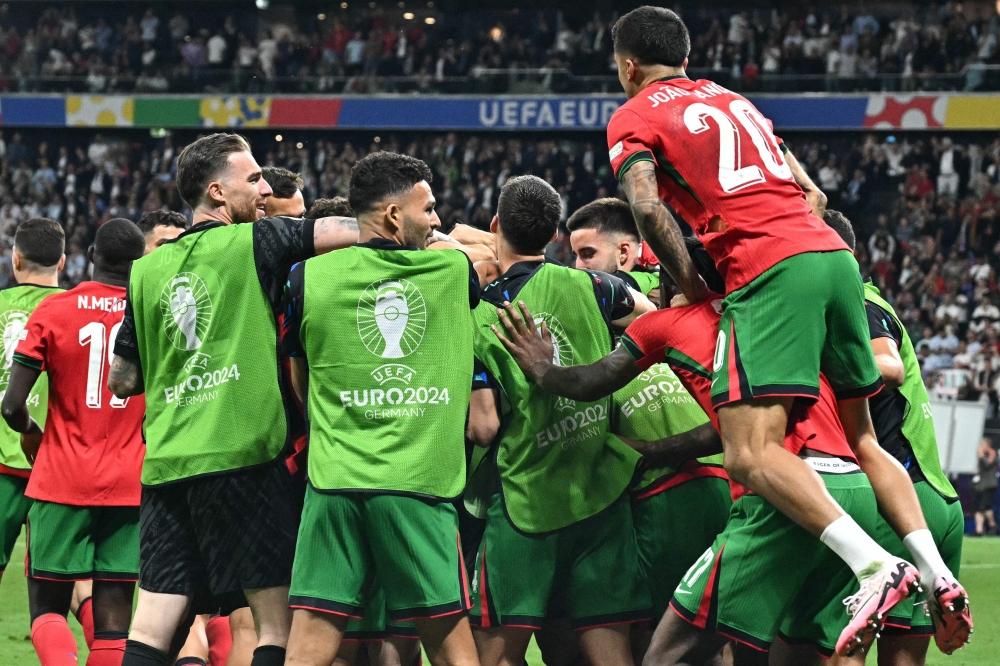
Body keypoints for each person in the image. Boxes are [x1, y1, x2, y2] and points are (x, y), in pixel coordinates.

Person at [606, 6, 964, 654]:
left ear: (629, 67)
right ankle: (936, 574)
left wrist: (695, 289)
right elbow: (814, 196)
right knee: (862, 438)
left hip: (770, 268)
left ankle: (875, 566)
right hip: (834, 258)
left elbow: (648, 207)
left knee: (747, 451)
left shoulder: (633, 114)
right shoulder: (736, 101)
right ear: (685, 58)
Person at [490, 240, 893, 665]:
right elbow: (735, 427)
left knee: (666, 654)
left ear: (669, 283)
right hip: (852, 490)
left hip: (783, 491)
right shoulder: (771, 314)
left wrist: (542, 367)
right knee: (793, 653)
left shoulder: (665, 324)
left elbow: (591, 382)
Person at [108, 133, 358, 666]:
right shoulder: (254, 241)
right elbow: (356, 230)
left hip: (169, 464)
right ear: (217, 192)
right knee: (275, 624)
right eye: (255, 179)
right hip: (244, 454)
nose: (265, 189)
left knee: (151, 628)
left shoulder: (146, 270)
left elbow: (122, 380)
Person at [280, 151, 481, 666]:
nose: (435, 220)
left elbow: (300, 380)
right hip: (415, 485)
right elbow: (476, 252)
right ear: (394, 215)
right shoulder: (450, 270)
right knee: (452, 649)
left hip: (333, 485)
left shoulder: (305, 278)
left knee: (308, 646)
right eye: (427, 208)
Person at [466, 175, 655, 666]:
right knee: (610, 649)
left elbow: (483, 426)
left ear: (495, 225)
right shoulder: (595, 286)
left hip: (527, 504)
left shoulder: (479, 316)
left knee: (499, 654)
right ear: (555, 235)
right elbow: (650, 317)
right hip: (599, 495)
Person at [818, 210, 972, 662]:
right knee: (903, 656)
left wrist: (813, 365)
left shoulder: (859, 306)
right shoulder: (875, 302)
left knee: (839, 648)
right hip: (935, 499)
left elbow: (889, 366)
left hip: (897, 503)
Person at [1, 218, 147, 666]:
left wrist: (32, 431)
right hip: (131, 482)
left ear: (91, 256)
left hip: (61, 477)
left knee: (48, 609)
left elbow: (12, 406)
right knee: (114, 623)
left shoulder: (56, 310)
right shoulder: (151, 312)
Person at [0, 218, 65, 584]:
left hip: (2, 465)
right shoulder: (77, 311)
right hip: (58, 465)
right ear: (62, 262)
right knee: (65, 588)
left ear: (16, 259)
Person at [566, 196, 659, 300]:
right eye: (576, 256)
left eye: (588, 255)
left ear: (623, 252)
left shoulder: (655, 281)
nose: (578, 266)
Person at [973, 439, 997, 536]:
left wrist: (981, 455)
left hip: (988, 486)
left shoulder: (992, 453)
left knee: (983, 508)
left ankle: (990, 526)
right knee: (982, 508)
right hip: (981, 486)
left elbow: (988, 464)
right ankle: (980, 529)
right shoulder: (982, 455)